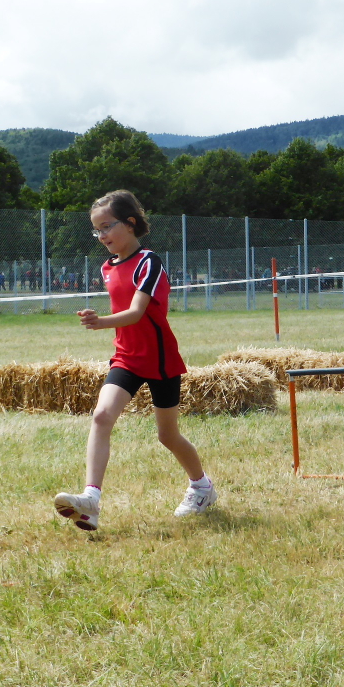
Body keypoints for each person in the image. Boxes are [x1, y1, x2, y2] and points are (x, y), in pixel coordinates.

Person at [53, 190, 217, 531]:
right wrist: (104, 323)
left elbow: (137, 312)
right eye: (96, 230)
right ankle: (91, 500)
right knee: (101, 416)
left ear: (130, 223)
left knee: (167, 436)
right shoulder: (107, 267)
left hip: (160, 360)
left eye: (107, 227)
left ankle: (202, 487)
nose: (102, 236)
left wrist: (100, 322)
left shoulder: (148, 262)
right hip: (126, 358)